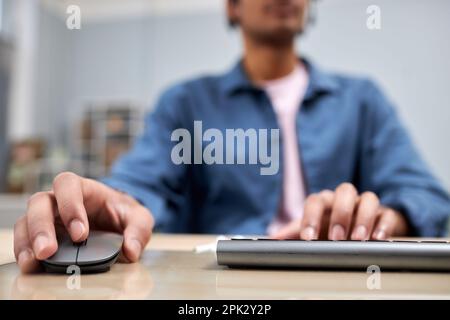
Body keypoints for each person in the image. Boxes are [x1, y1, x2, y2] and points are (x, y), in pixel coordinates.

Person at [14, 0, 450, 273]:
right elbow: (141, 185)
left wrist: (387, 219)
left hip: (345, 278)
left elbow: (426, 194)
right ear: (231, 7)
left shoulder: (363, 100)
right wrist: (114, 204)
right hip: (224, 287)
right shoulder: (185, 102)